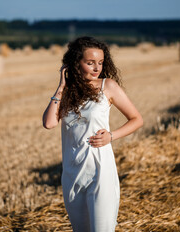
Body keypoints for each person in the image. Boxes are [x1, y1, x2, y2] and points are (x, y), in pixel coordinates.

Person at [42, 36, 143, 232]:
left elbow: (137, 119)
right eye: (90, 63)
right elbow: (49, 123)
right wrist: (61, 85)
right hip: (72, 173)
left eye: (100, 63)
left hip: (100, 170)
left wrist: (111, 136)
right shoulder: (67, 92)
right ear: (75, 63)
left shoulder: (108, 86)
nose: (97, 68)